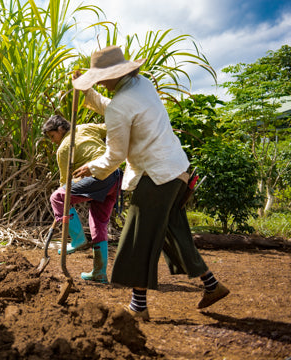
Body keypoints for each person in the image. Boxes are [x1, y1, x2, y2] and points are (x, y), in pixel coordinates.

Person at [72, 46, 229, 321]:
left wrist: (92, 167)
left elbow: (115, 155)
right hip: (178, 171)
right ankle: (212, 285)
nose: (100, 83)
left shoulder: (121, 104)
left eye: (99, 79)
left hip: (155, 177)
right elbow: (119, 109)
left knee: (137, 238)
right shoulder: (141, 85)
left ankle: (138, 306)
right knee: (173, 231)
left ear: (111, 76)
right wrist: (88, 94)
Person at [42, 115, 121, 283]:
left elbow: (65, 183)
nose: (52, 141)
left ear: (61, 129)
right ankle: (99, 273)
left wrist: (61, 213)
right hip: (114, 177)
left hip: (99, 176)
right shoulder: (86, 127)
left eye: (52, 136)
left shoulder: (64, 148)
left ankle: (77, 239)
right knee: (98, 224)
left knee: (57, 198)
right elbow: (111, 127)